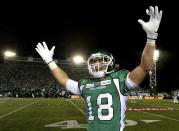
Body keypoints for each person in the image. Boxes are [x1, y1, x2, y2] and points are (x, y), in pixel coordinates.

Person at [35, 6, 163, 131]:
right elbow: (64, 80)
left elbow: (145, 67)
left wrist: (151, 38)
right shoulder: (85, 84)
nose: (96, 65)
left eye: (101, 61)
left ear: (110, 63)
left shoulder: (119, 80)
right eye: (93, 62)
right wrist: (50, 61)